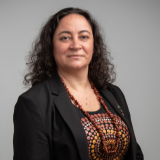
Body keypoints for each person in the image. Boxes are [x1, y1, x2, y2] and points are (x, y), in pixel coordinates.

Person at [13, 7, 143, 160]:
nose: (75, 45)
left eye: (83, 37)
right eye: (65, 38)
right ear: (51, 46)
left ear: (93, 46)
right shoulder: (33, 103)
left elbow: (135, 153)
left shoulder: (114, 93)